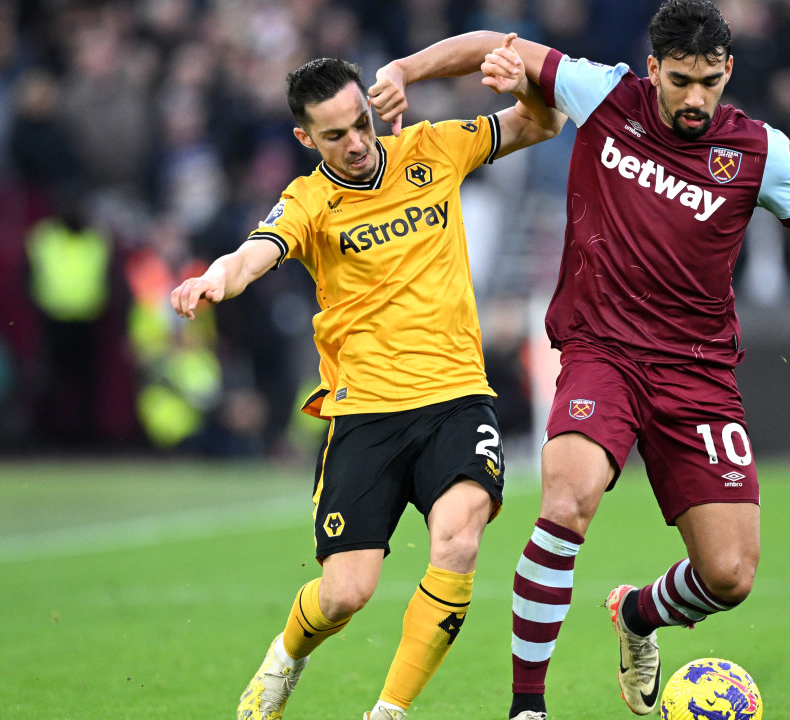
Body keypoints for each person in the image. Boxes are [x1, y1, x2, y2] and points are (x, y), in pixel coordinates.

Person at [368, 3, 790, 719]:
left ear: (728, 70)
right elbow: (496, 42)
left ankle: (638, 615)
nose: (696, 97)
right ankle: (527, 709)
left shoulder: (758, 150)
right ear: (653, 71)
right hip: (602, 351)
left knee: (730, 575)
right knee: (565, 500)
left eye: (709, 81)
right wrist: (402, 70)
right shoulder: (603, 92)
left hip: (697, 373)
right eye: (680, 81)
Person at [170, 38, 564, 720]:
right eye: (335, 135)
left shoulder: (433, 148)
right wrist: (215, 278)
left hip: (456, 396)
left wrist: (522, 82)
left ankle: (388, 711)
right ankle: (286, 657)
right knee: (346, 593)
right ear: (305, 138)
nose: (357, 142)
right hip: (368, 411)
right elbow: (256, 251)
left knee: (460, 535)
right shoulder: (310, 200)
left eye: (361, 123)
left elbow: (545, 122)